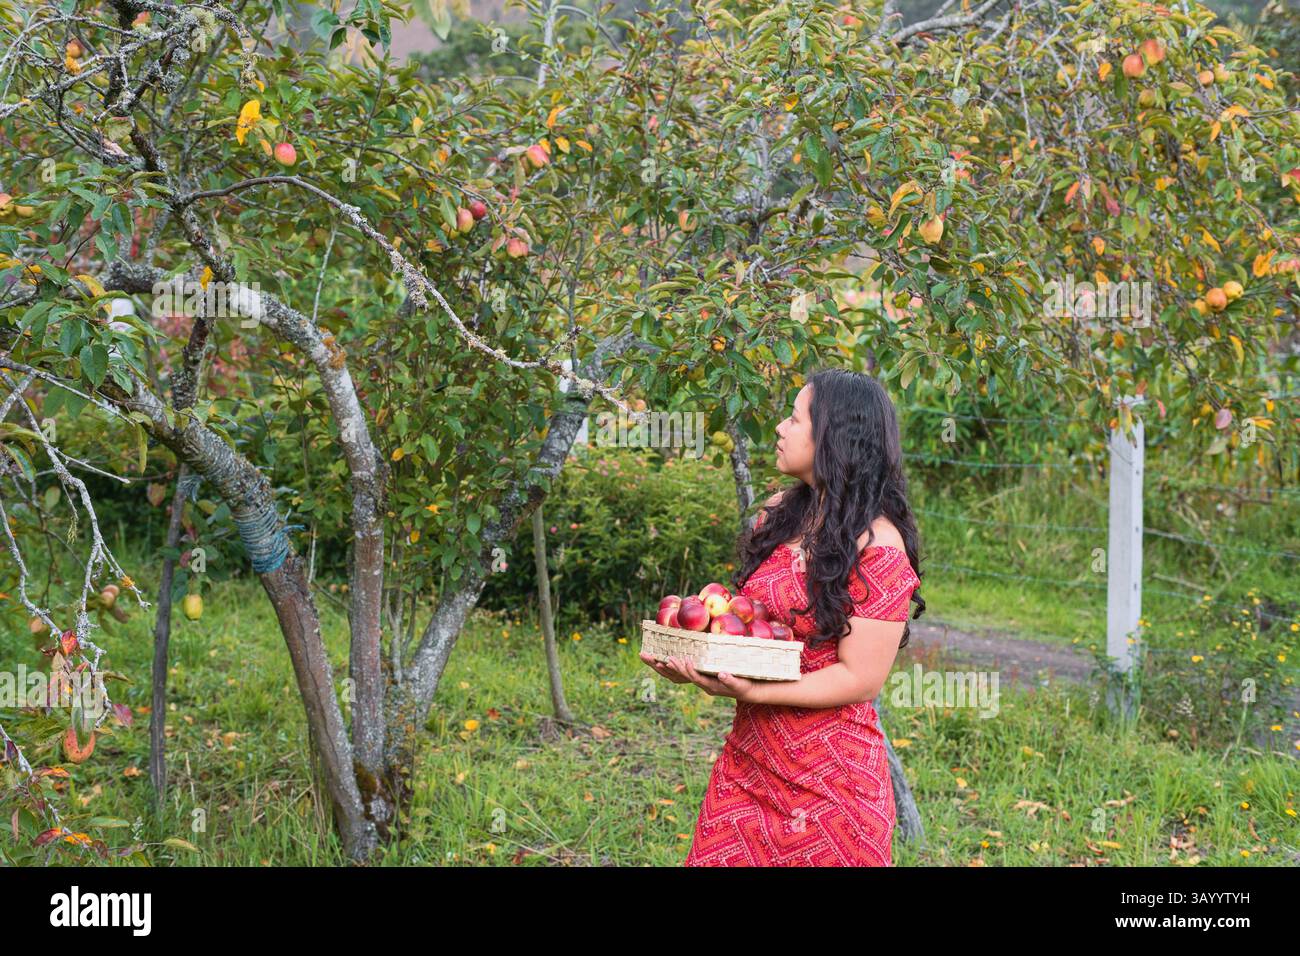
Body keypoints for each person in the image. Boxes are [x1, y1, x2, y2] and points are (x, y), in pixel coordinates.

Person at [640, 368, 924, 865]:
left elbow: (861, 679)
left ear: (833, 437)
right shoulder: (780, 514)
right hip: (748, 763)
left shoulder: (879, 548)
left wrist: (754, 691)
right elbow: (754, 626)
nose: (779, 428)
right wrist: (699, 655)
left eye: (794, 419)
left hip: (832, 787)